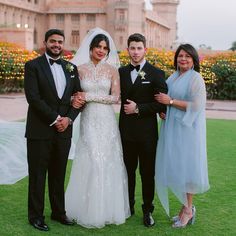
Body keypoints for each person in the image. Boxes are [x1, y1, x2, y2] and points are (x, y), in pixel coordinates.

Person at [65, 27, 130, 228]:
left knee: (107, 161)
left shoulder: (112, 70)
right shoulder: (79, 69)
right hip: (88, 121)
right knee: (92, 160)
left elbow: (115, 98)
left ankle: (107, 209)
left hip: (107, 122)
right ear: (91, 48)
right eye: (98, 47)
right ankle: (86, 209)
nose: (101, 50)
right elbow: (72, 95)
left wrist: (89, 96)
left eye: (105, 48)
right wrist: (75, 98)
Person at [24, 29, 84, 231]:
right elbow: (33, 98)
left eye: (60, 41)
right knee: (38, 175)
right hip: (39, 131)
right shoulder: (32, 66)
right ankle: (36, 216)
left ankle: (59, 213)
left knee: (58, 175)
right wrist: (56, 118)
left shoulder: (71, 67)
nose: (56, 45)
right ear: (45, 42)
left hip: (63, 131)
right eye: (53, 41)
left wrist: (68, 119)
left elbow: (78, 99)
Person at [154, 44, 210, 228]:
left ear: (194, 60)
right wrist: (164, 110)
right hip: (173, 127)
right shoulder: (174, 76)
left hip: (188, 131)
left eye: (187, 56)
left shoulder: (196, 79)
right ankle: (185, 207)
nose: (183, 59)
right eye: (180, 56)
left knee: (188, 168)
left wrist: (169, 101)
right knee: (178, 167)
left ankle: (188, 210)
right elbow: (166, 101)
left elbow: (196, 105)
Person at [119, 33, 168, 227]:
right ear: (128, 50)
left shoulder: (156, 73)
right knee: (127, 172)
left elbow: (161, 105)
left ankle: (147, 210)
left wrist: (138, 108)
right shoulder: (120, 72)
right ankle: (127, 207)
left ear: (145, 49)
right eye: (132, 48)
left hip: (147, 135)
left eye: (139, 48)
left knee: (147, 174)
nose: (136, 51)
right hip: (125, 133)